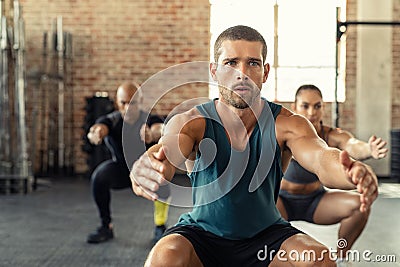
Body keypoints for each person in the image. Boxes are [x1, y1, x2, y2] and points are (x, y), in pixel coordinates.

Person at [130, 25, 378, 266]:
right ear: (214, 71)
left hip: (266, 237)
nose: (242, 73)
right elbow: (168, 149)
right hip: (202, 236)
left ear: (265, 72)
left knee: (319, 259)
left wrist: (349, 172)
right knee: (164, 257)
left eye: (253, 63)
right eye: (231, 63)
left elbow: (322, 158)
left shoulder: (288, 124)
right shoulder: (192, 121)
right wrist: (151, 164)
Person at [276, 84, 387, 265]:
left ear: (323, 108)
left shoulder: (330, 135)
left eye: (317, 106)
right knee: (262, 210)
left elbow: (351, 144)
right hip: (282, 202)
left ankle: (342, 257)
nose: (312, 112)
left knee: (359, 205)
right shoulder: (286, 133)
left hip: (315, 201)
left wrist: (368, 149)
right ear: (295, 107)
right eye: (305, 106)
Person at [86, 81, 169, 244]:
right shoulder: (112, 120)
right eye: (123, 103)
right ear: (117, 102)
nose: (128, 107)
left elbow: (160, 128)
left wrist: (153, 134)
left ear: (141, 101)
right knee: (99, 177)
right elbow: (99, 128)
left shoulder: (150, 118)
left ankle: (160, 226)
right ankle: (105, 226)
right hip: (122, 171)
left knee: (164, 175)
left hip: (146, 172)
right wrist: (95, 133)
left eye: (133, 103)